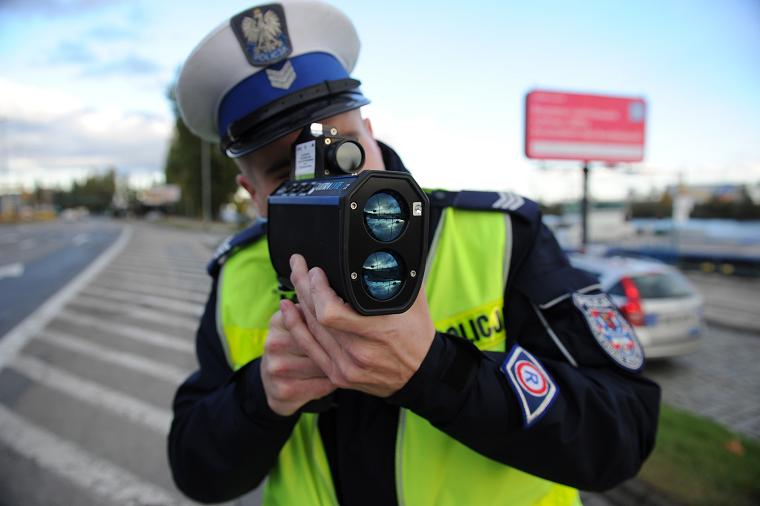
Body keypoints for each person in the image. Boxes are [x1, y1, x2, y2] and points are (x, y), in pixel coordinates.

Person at [168, 2, 661, 505]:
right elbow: (196, 471)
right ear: (251, 193)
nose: (327, 186)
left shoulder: (500, 237)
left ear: (371, 135)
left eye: (345, 150)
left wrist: (437, 372)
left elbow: (622, 430)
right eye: (285, 173)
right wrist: (262, 396)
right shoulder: (237, 274)